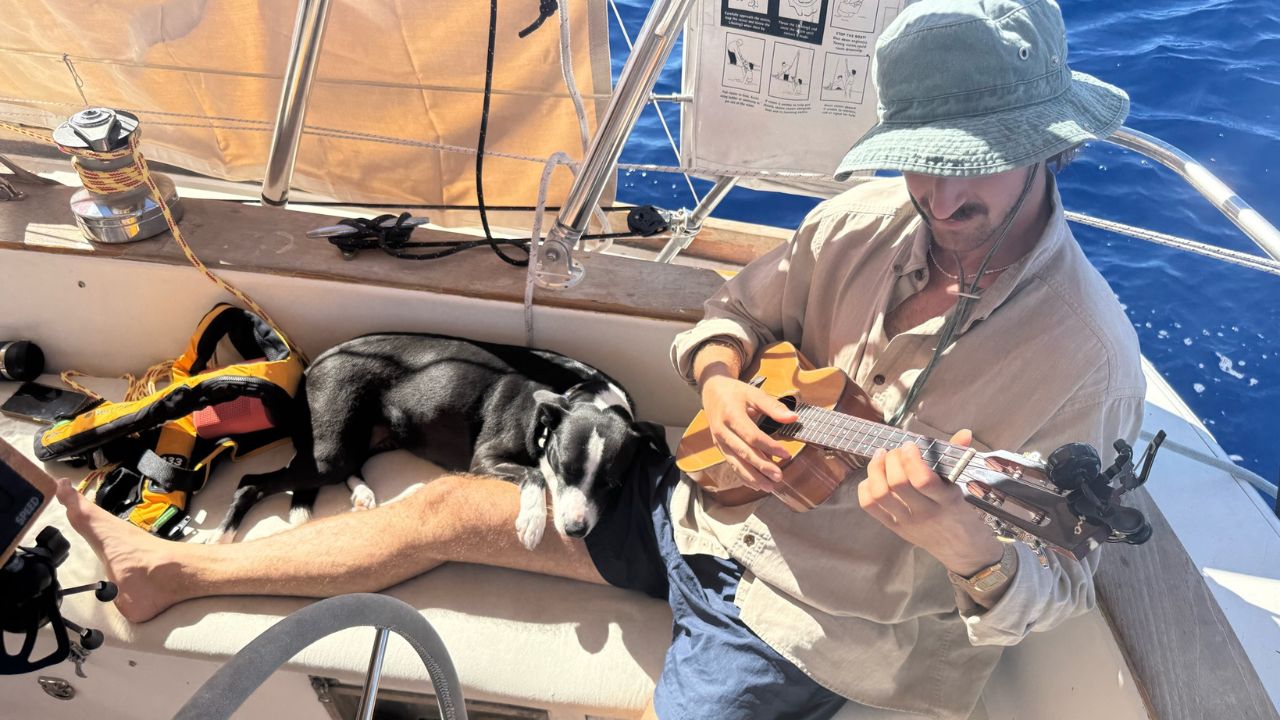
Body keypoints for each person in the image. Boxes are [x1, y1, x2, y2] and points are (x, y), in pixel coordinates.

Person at [57, 1, 1143, 718]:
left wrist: (964, 544)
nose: (938, 195)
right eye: (920, 160)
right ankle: (171, 571)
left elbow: (1053, 586)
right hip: (704, 510)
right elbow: (730, 311)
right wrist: (723, 384)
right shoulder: (861, 221)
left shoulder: (1083, 358)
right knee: (444, 511)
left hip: (823, 629)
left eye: (973, 163)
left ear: (1048, 143)